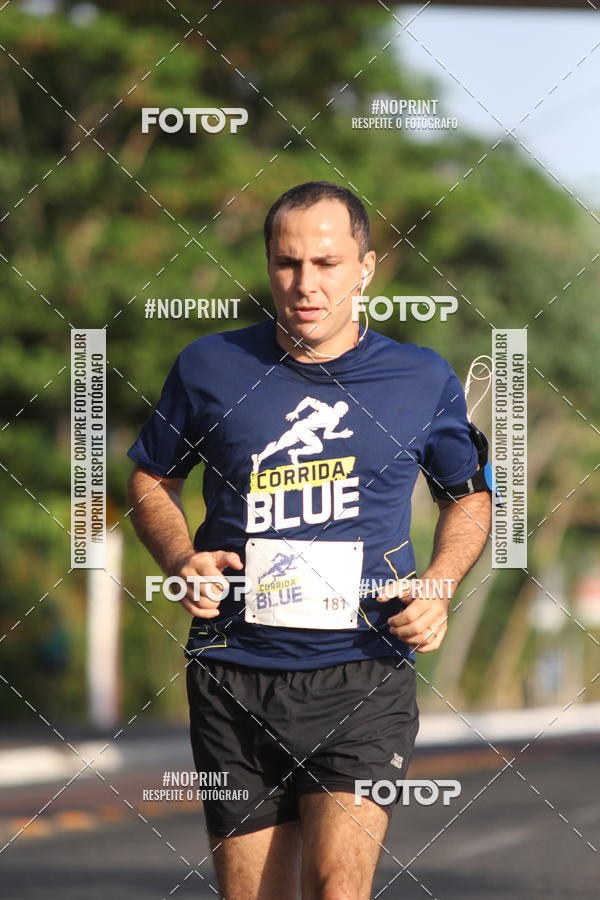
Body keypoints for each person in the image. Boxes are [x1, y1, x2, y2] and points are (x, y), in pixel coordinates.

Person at [127, 181, 491, 900]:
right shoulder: (208, 366)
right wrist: (180, 557)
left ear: (366, 267)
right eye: (287, 263)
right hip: (232, 670)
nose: (305, 284)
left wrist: (440, 583)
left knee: (336, 888)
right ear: (268, 264)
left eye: (326, 264)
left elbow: (469, 496)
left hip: (364, 671)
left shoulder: (420, 377)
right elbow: (150, 478)